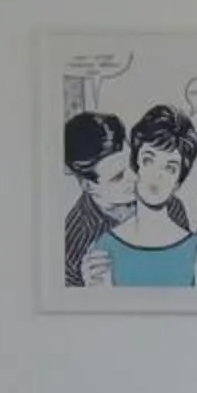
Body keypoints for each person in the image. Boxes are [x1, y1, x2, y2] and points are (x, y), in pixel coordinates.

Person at [81, 105, 197, 288]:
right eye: (149, 159)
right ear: (135, 164)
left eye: (170, 168)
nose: (157, 175)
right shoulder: (105, 249)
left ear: (178, 181)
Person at [58, 111, 134, 288]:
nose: (136, 178)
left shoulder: (165, 201)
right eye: (118, 176)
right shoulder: (72, 242)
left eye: (133, 164)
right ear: (87, 185)